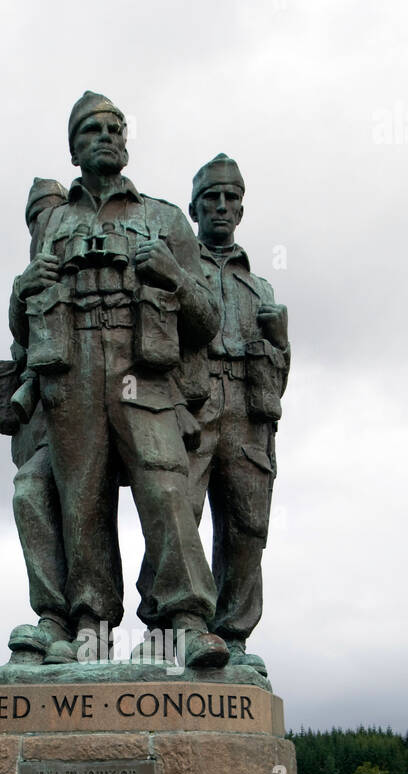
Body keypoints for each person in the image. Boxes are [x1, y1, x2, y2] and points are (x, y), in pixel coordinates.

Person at [9, 92, 227, 668]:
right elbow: (25, 321)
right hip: (72, 370)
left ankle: (186, 618)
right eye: (91, 130)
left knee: (165, 487)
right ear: (73, 148)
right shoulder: (53, 221)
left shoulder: (164, 219)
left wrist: (175, 277)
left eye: (115, 128)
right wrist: (20, 289)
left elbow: (208, 320)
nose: (106, 136)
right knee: (81, 498)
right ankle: (90, 624)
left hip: (140, 372)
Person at [139, 155, 289, 675]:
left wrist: (282, 340)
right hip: (194, 403)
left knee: (247, 528)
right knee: (178, 512)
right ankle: (165, 629)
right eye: (211, 198)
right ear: (194, 208)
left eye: (231, 198)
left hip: (249, 410)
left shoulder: (260, 288)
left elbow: (282, 376)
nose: (221, 207)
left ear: (242, 208)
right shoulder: (179, 265)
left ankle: (232, 635)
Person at [0, 178, 74, 663]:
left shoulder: (83, 264)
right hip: (44, 427)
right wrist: (20, 295)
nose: (41, 224)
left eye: (49, 213)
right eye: (34, 218)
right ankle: (54, 617)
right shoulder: (30, 282)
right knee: (31, 493)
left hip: (105, 415)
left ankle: (167, 626)